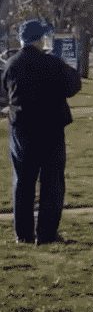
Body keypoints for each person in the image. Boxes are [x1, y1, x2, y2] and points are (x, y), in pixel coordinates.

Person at [0, 19, 81, 244]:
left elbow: (5, 90)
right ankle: (46, 233)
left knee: (23, 182)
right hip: (50, 128)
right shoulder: (52, 64)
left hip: (22, 129)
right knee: (51, 182)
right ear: (40, 39)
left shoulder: (12, 63)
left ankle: (23, 233)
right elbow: (73, 86)